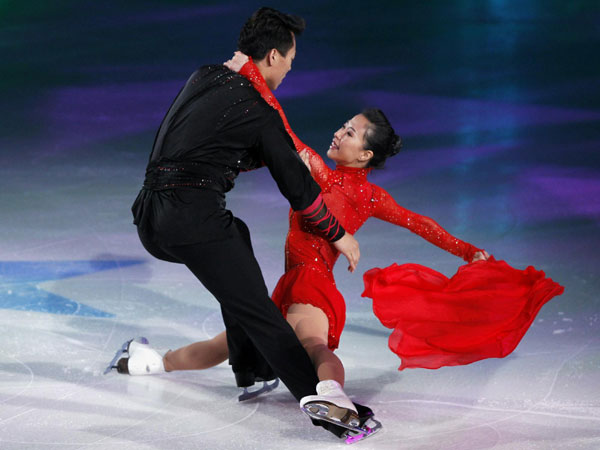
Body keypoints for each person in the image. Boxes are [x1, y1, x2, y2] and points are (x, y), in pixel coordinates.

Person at [126, 7, 368, 438]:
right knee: (258, 310)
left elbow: (217, 140)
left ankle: (249, 370)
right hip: (191, 216)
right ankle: (323, 402)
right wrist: (338, 233)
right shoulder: (258, 110)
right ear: (273, 56)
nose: (290, 69)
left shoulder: (204, 77)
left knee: (237, 238)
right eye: (290, 60)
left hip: (149, 214)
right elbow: (296, 186)